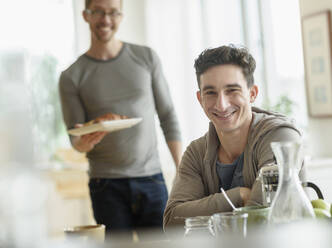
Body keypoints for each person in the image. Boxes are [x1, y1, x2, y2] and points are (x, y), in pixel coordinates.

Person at [59, 0, 182, 242]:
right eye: (98, 12)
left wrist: (182, 173)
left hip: (152, 180)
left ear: (121, 15)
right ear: (86, 15)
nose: (106, 19)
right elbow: (76, 141)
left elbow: (168, 116)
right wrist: (88, 138)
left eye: (113, 12)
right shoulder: (71, 76)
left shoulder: (146, 58)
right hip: (105, 186)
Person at [163, 45, 304, 230]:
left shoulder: (282, 137)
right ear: (200, 99)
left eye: (232, 90)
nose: (221, 105)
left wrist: (209, 211)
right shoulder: (196, 152)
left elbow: (260, 218)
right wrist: (239, 195)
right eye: (211, 93)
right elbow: (172, 221)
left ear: (252, 93)